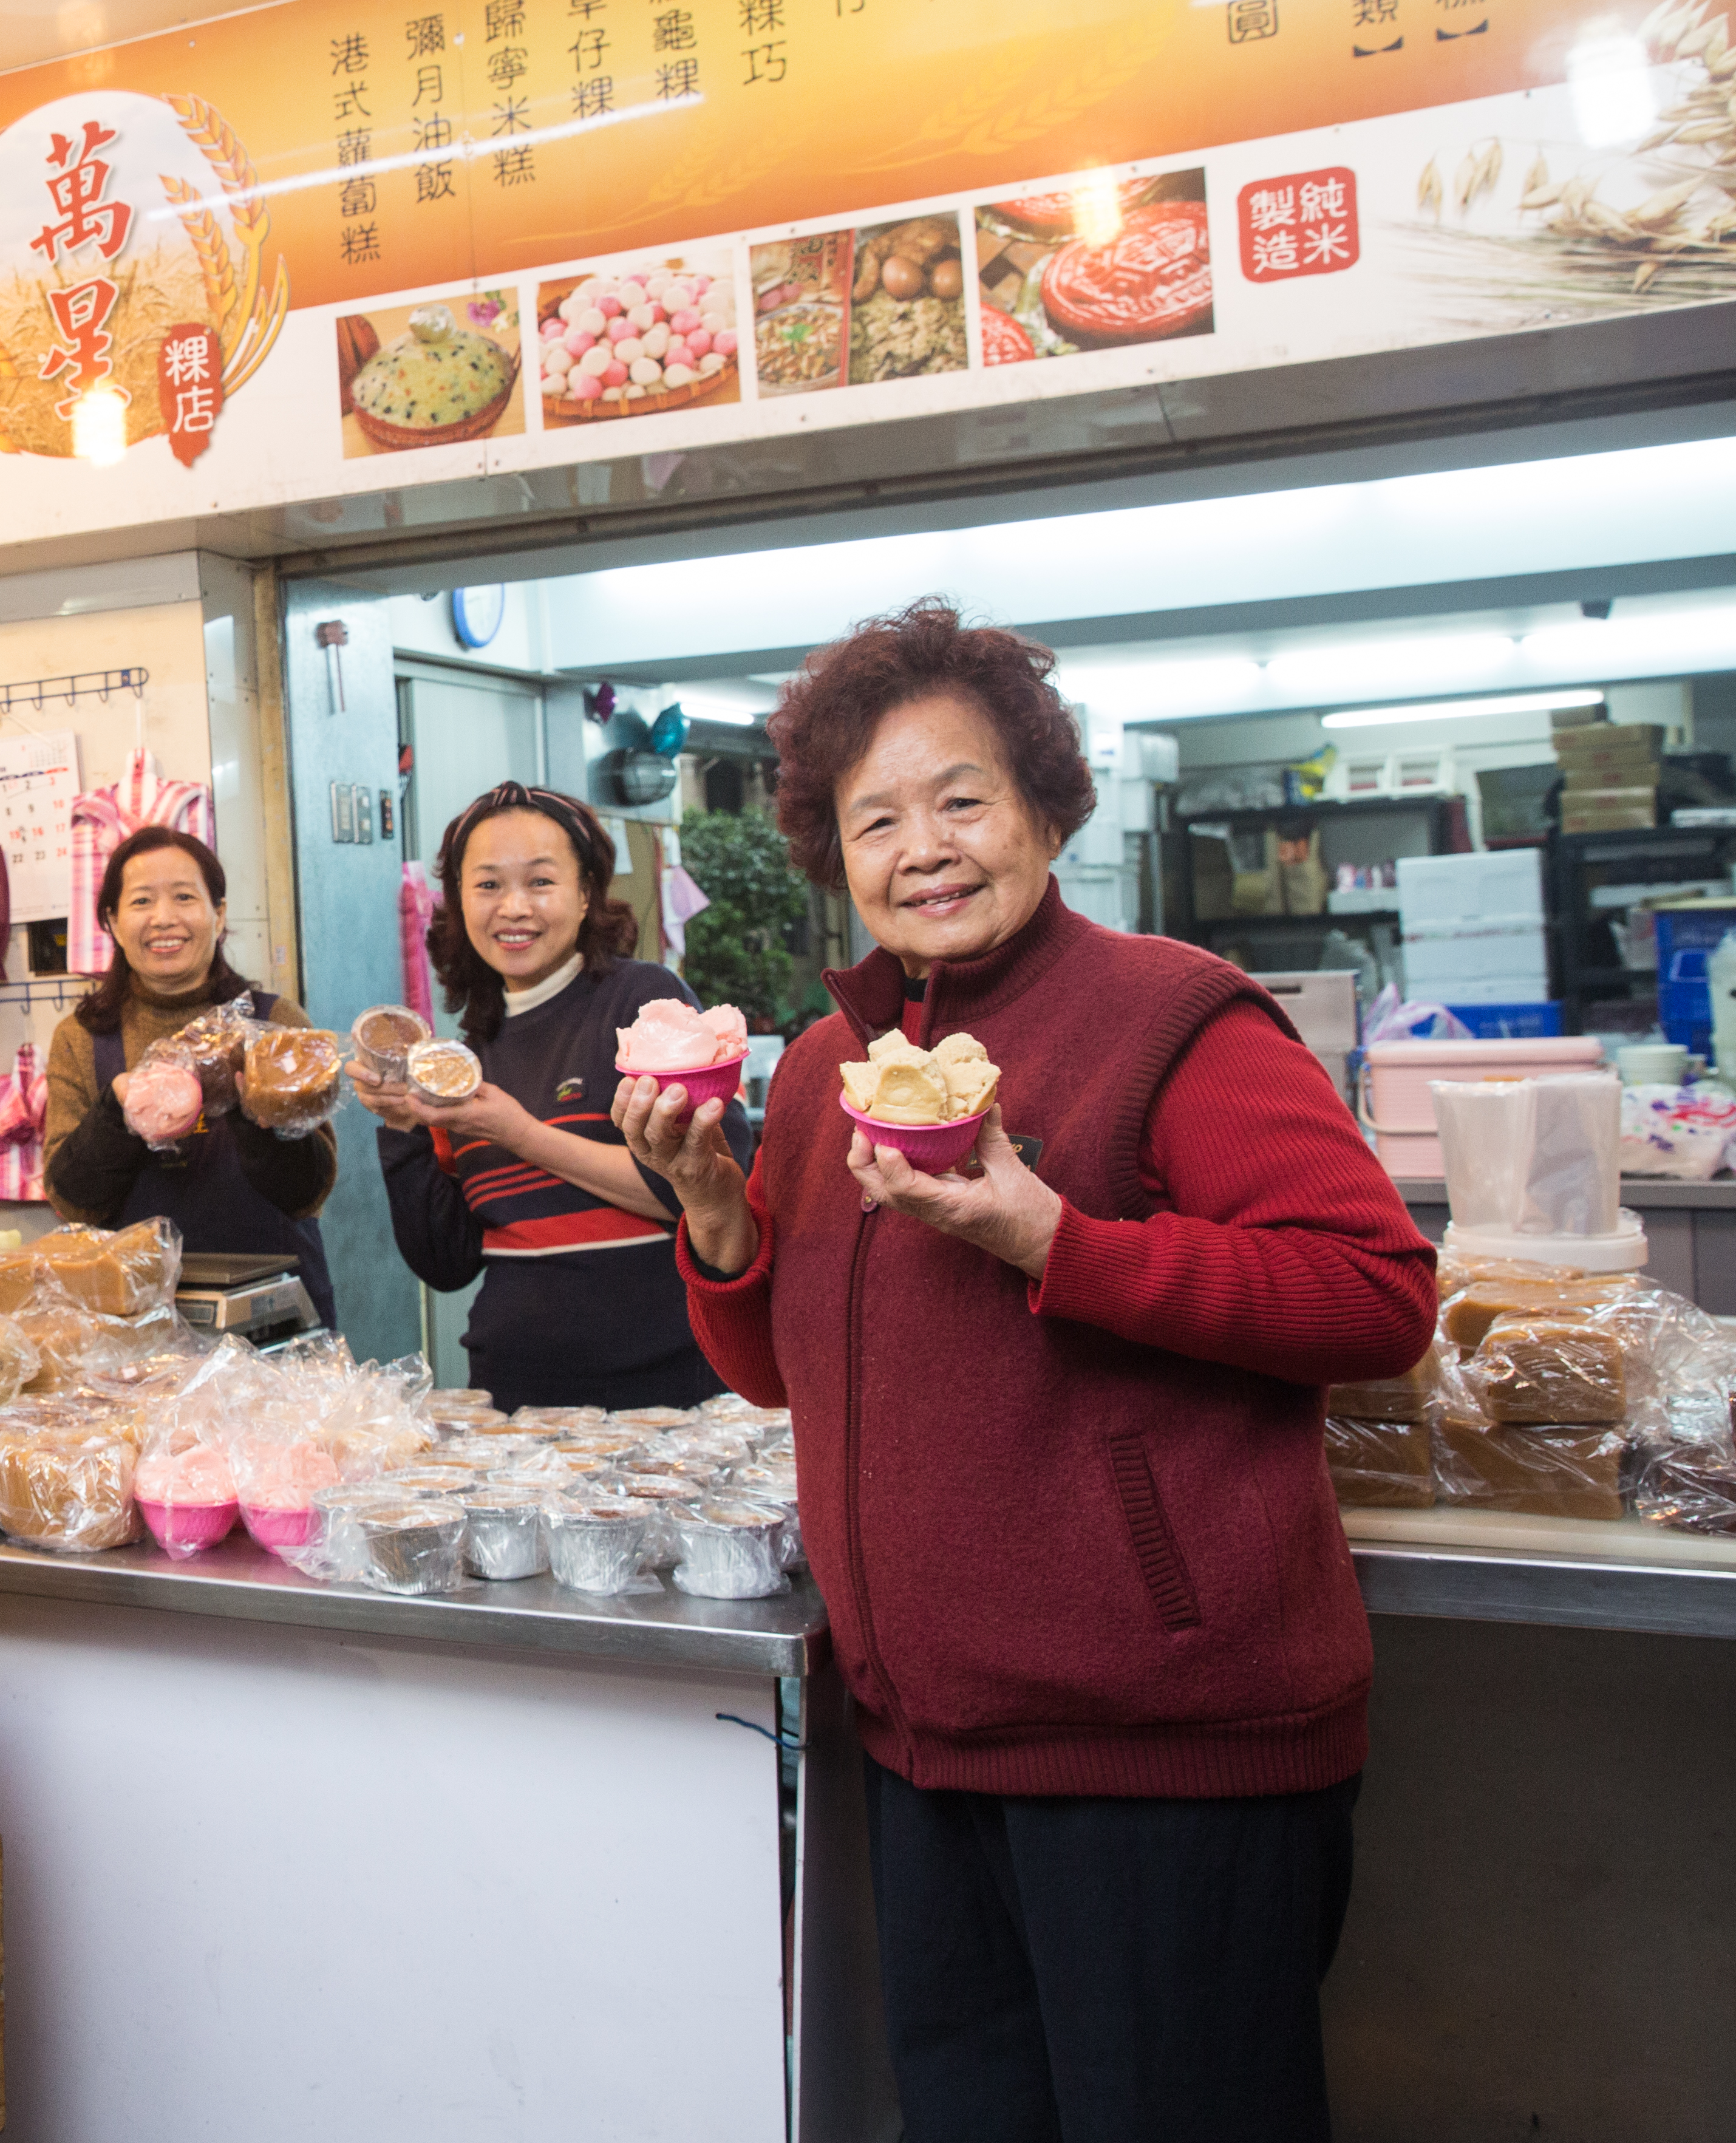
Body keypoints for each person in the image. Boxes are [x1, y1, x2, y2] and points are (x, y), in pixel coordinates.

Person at [614, 599, 1435, 2143]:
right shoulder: (821, 1066)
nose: (919, 846)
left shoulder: (1169, 1017)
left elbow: (1373, 1293)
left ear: (1046, 808)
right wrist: (714, 1209)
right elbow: (781, 1371)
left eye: (960, 798)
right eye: (873, 818)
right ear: (831, 853)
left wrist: (1059, 1238)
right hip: (926, 1750)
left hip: (1159, 1758)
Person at [355, 784, 744, 1409]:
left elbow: (704, 1189)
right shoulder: (468, 1057)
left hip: (665, 1397)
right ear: (456, 900)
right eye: (486, 886)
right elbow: (447, 1261)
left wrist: (518, 1132)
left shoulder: (642, 1004)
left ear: (587, 892)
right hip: (514, 1401)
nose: (513, 908)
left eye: (540, 882)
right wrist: (401, 1129)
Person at [39, 825, 339, 1325]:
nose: (164, 919)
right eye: (141, 902)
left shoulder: (277, 1024)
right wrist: (118, 1117)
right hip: (136, 1324)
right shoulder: (82, 1038)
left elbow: (311, 1191)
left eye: (184, 897)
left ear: (218, 914)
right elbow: (73, 1203)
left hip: (271, 1316)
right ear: (112, 922)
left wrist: (255, 1111)